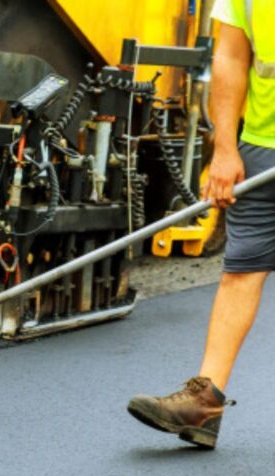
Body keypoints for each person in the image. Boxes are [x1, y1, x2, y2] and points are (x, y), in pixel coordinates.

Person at [127, 0, 275, 449]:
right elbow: (231, 56)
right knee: (240, 269)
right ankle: (203, 405)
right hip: (260, 146)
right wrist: (226, 148)